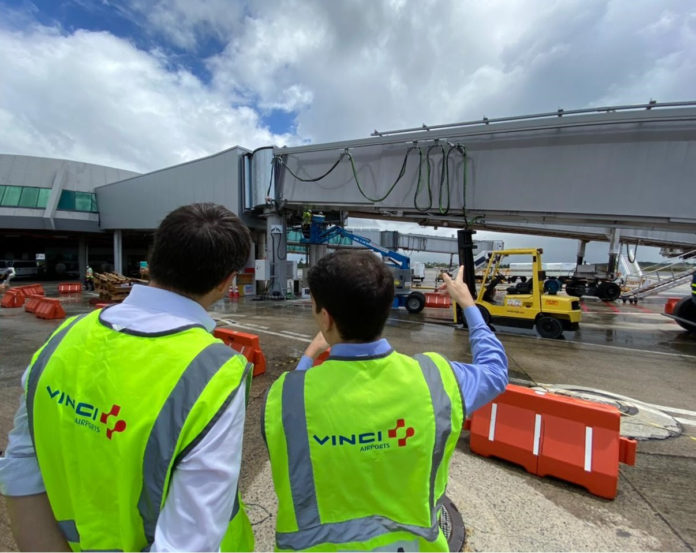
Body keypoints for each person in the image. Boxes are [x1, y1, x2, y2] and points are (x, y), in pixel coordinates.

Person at [0, 203, 255, 552]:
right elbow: (188, 541)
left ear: (151, 260)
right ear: (227, 281)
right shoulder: (214, 371)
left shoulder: (65, 336)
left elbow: (20, 470)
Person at [262, 250, 508, 551]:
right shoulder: (437, 380)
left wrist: (308, 357)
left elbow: (291, 408)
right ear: (386, 308)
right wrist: (468, 304)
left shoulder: (286, 395)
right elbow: (495, 372)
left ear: (325, 318)